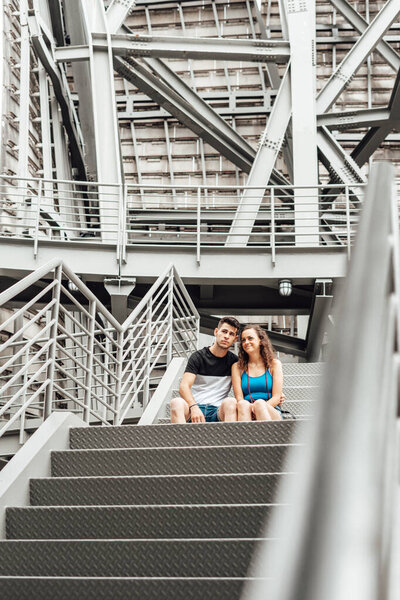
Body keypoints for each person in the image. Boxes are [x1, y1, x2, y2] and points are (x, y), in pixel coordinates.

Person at [170, 316, 240, 423]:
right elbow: (184, 386)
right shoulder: (198, 357)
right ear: (216, 332)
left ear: (235, 339)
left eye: (231, 334)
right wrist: (194, 407)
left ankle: (228, 440)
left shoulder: (234, 362)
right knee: (176, 403)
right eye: (224, 331)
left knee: (231, 402)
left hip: (217, 411)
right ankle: (181, 439)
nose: (226, 336)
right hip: (194, 409)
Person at [232, 324, 283, 421]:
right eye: (243, 340)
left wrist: (257, 408)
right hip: (246, 411)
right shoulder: (237, 367)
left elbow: (277, 397)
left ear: (260, 340)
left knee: (259, 403)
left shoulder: (274, 364)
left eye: (250, 338)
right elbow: (239, 398)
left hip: (271, 409)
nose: (246, 342)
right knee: (242, 404)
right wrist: (251, 409)